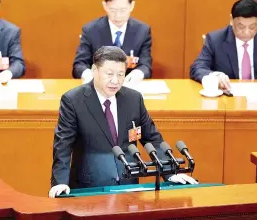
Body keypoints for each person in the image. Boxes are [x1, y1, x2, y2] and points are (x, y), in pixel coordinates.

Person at [49, 46, 197, 198]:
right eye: (109, 74)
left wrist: (172, 173)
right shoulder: (73, 100)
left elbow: (153, 139)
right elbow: (63, 145)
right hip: (90, 188)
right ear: (94, 70)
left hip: (129, 188)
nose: (115, 80)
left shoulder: (133, 99)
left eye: (121, 74)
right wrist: (60, 182)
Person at [190, 0, 257, 89]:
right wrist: (215, 76)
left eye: (252, 27)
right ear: (231, 20)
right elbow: (197, 68)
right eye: (241, 26)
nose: (246, 32)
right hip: (227, 101)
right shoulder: (215, 40)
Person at [72, 0, 152, 85]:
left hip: (129, 88)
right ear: (105, 6)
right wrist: (88, 75)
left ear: (132, 6)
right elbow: (79, 64)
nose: (117, 16)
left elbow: (146, 65)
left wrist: (138, 74)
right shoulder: (90, 30)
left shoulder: (142, 30)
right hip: (99, 87)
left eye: (123, 10)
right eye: (113, 10)